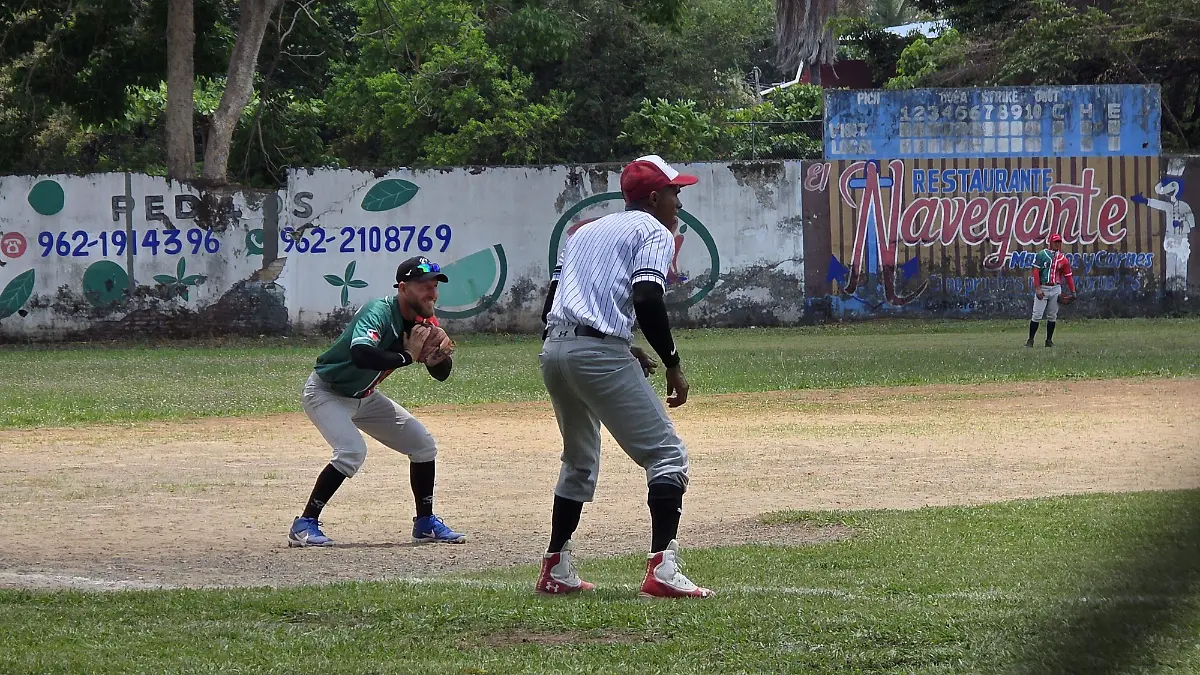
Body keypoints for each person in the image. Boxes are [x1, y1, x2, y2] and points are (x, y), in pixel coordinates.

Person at [534, 154, 714, 599]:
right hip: (594, 352)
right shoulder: (654, 230)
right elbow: (648, 296)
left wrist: (619, 342)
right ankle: (662, 570)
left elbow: (551, 305)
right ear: (654, 197)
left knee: (579, 460)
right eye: (674, 191)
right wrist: (671, 362)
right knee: (667, 455)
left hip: (555, 349)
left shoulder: (584, 231)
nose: (678, 199)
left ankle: (555, 566)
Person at [288, 256, 466, 547]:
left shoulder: (426, 320)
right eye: (423, 286)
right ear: (403, 288)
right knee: (351, 452)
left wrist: (438, 357)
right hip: (327, 393)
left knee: (422, 445)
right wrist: (408, 356)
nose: (431, 293)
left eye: (434, 286)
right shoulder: (379, 311)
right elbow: (361, 354)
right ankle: (304, 523)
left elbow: (441, 375)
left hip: (366, 397)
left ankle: (425, 523)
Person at [1026, 233, 1077, 348]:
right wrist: (1038, 288)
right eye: (1055, 242)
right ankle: (1031, 340)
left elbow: (1068, 275)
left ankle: (1049, 341)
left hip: (1055, 288)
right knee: (1037, 315)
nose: (1057, 244)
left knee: (1052, 316)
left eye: (1059, 242)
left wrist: (1073, 291)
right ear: (1050, 242)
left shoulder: (1063, 259)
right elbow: (1036, 271)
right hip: (1043, 287)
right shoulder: (1042, 254)